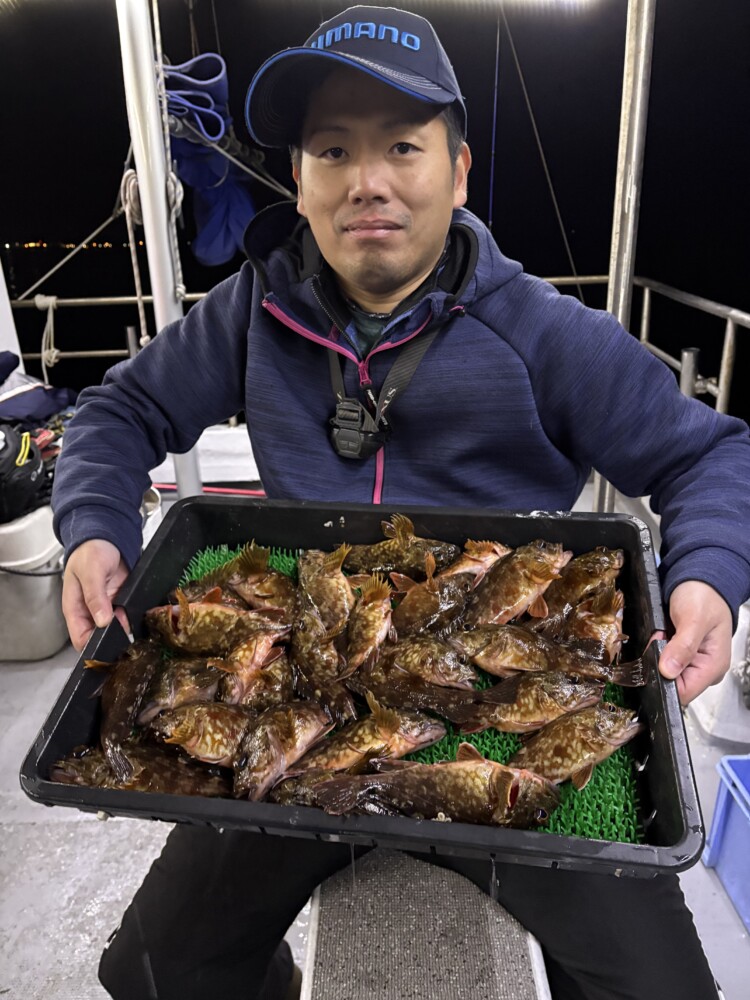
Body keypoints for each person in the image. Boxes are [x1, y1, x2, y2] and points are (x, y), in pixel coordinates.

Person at [51, 6, 749, 999]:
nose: (366, 180)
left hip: (499, 712)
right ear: (298, 179)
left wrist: (709, 582)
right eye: (332, 148)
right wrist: (94, 528)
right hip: (310, 691)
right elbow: (121, 409)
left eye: (402, 146)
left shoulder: (545, 331)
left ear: (458, 172)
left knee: (665, 989)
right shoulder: (253, 306)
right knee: (154, 971)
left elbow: (713, 454)